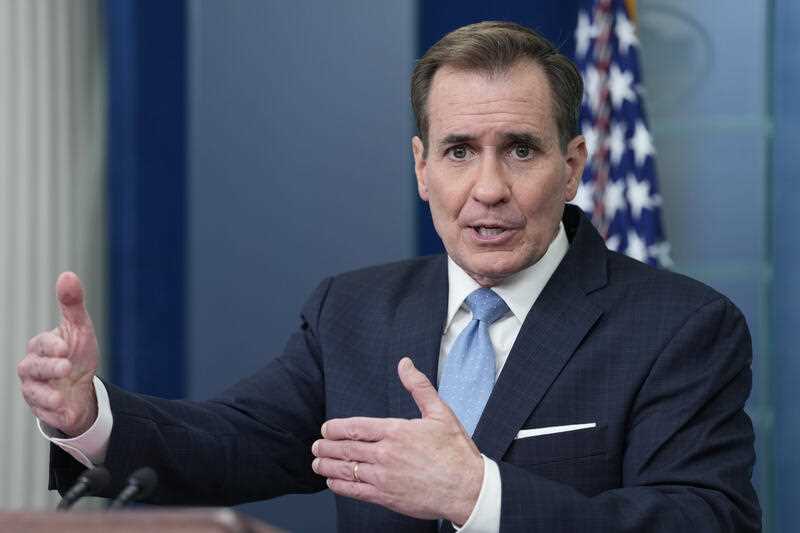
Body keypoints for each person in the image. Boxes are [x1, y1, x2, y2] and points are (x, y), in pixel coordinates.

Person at [18, 21, 760, 532]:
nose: (489, 188)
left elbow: (702, 520)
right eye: (460, 150)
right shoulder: (353, 311)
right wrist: (90, 414)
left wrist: (478, 494)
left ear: (572, 168)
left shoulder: (680, 326)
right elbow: (231, 440)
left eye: (521, 151)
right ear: (421, 168)